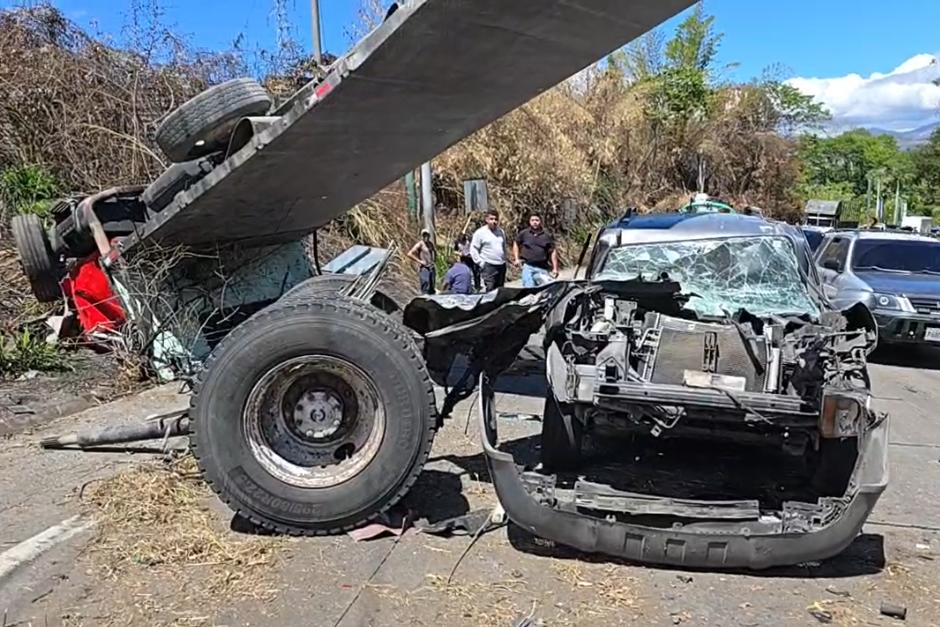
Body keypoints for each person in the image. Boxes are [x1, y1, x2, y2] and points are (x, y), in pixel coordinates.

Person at [513, 213, 559, 287]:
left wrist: (555, 268)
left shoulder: (547, 235)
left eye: (537, 220)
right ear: (529, 222)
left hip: (542, 268)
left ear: (540, 221)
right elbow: (516, 243)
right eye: (532, 220)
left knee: (546, 289)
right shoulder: (524, 233)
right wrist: (516, 259)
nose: (535, 222)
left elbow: (553, 251)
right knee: (529, 289)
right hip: (528, 266)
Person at [470, 210, 509, 291]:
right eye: (491, 219)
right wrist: (481, 262)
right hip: (488, 266)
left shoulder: (501, 232)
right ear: (486, 220)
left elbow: (504, 246)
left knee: (500, 290)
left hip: (501, 265)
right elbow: (473, 249)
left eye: (496, 219)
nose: (494, 221)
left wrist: (505, 259)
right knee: (490, 290)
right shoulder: (480, 233)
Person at [407, 228, 437, 295]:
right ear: (422, 236)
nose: (426, 237)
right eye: (424, 235)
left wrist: (434, 260)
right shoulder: (420, 244)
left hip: (431, 267)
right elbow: (409, 253)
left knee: (432, 287)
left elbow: (434, 252)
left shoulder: (430, 244)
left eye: (427, 235)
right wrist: (420, 261)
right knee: (425, 286)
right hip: (424, 268)